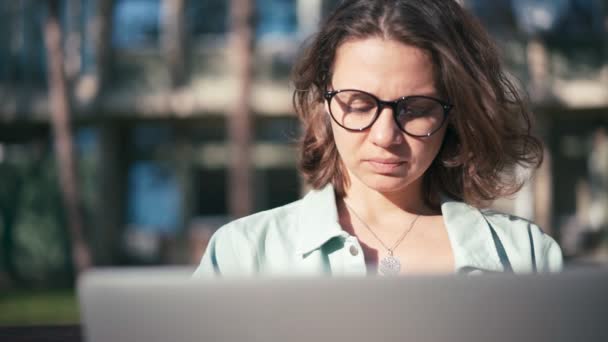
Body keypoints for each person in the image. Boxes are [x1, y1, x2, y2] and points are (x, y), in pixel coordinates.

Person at [194, 0, 562, 277]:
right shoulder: (243, 254)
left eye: (415, 109)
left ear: (454, 113)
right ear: (324, 102)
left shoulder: (522, 255)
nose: (385, 136)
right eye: (358, 104)